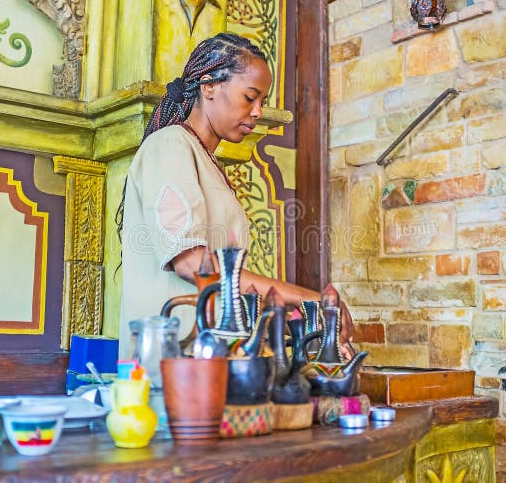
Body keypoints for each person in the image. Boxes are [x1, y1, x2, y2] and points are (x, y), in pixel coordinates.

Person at [116, 32, 353, 357]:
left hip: (212, 355)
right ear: (208, 86)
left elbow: (224, 278)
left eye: (262, 102)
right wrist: (306, 298)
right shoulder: (170, 145)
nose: (257, 112)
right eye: (249, 97)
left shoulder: (203, 158)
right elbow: (192, 263)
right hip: (173, 365)